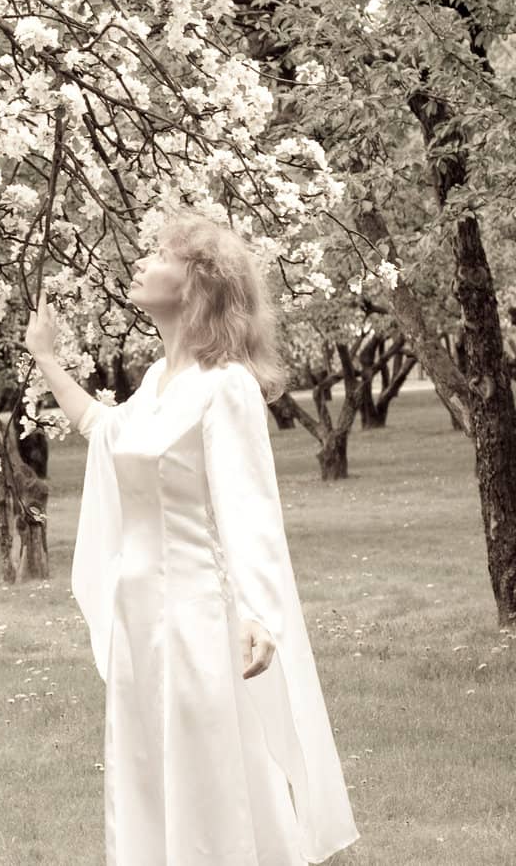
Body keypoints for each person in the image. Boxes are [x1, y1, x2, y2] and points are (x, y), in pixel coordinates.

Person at [25, 212, 360, 865]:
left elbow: (251, 507)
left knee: (213, 774)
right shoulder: (155, 383)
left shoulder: (225, 387)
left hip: (199, 615)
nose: (142, 262)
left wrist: (261, 614)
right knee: (148, 774)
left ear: (195, 284)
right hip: (138, 619)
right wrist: (44, 355)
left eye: (159, 255)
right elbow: (101, 426)